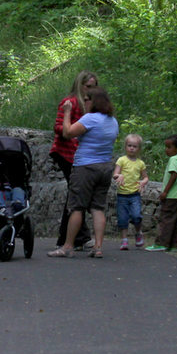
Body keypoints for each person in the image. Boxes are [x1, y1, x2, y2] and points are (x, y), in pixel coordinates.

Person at [47, 86, 118, 259]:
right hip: (105, 167)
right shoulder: (112, 121)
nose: (84, 102)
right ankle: (98, 247)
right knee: (97, 207)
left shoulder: (90, 119)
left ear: (94, 102)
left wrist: (67, 113)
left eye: (86, 99)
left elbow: (67, 132)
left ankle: (68, 246)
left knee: (77, 207)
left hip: (86, 167)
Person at [50, 71, 98, 249]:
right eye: (88, 86)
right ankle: (80, 237)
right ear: (80, 85)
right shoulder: (69, 102)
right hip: (65, 153)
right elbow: (59, 127)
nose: (91, 90)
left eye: (94, 87)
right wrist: (72, 130)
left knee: (76, 194)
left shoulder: (90, 105)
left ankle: (70, 237)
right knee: (77, 193)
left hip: (80, 155)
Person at [146, 134, 177, 252]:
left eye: (169, 147)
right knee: (175, 221)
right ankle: (173, 245)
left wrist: (165, 191)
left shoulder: (174, 159)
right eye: (166, 147)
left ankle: (161, 243)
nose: (166, 150)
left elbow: (173, 175)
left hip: (172, 195)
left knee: (166, 219)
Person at [113, 133, 149, 250]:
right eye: (129, 145)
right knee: (122, 218)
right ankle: (124, 240)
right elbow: (115, 174)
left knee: (136, 215)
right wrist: (119, 176)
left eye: (135, 146)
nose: (132, 148)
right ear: (125, 147)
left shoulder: (140, 163)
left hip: (135, 194)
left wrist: (143, 182)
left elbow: (145, 177)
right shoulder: (121, 160)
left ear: (139, 149)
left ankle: (138, 233)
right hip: (122, 194)